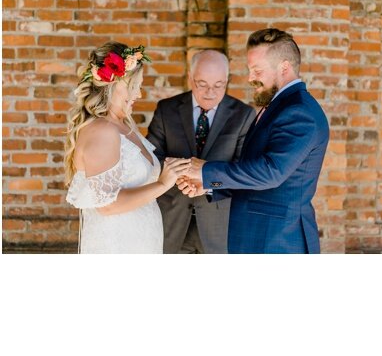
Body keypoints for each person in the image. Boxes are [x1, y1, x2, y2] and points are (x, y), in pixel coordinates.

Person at [168, 28, 328, 254]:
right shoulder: (278, 106)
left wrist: (206, 171)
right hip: (259, 237)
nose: (251, 78)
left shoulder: (299, 112)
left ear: (284, 67)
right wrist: (208, 185)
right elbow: (255, 176)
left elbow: (271, 172)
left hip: (278, 240)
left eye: (257, 70)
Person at [66, 42, 182, 255]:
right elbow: (107, 205)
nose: (138, 94)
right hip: (117, 245)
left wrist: (176, 173)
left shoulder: (124, 126)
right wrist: (163, 184)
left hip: (142, 242)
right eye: (134, 85)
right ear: (112, 84)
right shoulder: (102, 131)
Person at [145, 49, 255, 254]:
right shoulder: (166, 109)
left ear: (227, 80)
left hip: (218, 226)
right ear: (190, 78)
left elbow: (244, 171)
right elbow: (151, 159)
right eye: (202, 84)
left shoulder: (244, 115)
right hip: (171, 222)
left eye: (218, 85)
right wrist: (180, 175)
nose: (210, 93)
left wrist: (207, 183)